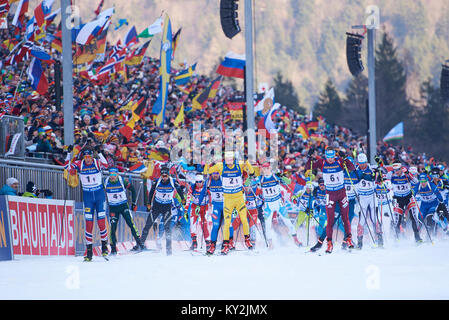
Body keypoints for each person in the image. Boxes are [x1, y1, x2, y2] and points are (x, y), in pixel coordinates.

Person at [305, 147, 356, 253]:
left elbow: (352, 168)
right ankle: (328, 243)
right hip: (330, 194)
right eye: (328, 157)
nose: (330, 159)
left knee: (345, 218)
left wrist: (345, 158)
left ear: (334, 155)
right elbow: (308, 167)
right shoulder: (322, 162)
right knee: (330, 220)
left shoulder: (339, 161)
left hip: (341, 193)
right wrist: (310, 158)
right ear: (325, 156)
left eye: (332, 157)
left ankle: (348, 239)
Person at [204, 151, 255, 255]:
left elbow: (252, 172)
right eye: (227, 160)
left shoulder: (239, 164)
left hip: (239, 198)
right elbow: (206, 171)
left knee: (244, 219)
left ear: (233, 159)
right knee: (227, 224)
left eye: (231, 160)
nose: (229, 162)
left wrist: (247, 162)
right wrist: (208, 163)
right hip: (228, 200)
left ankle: (247, 240)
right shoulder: (220, 166)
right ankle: (225, 245)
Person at [68, 148, 109, 261]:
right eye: (86, 157)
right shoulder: (80, 164)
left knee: (101, 222)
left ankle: (104, 246)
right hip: (88, 198)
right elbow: (68, 167)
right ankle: (89, 251)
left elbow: (106, 165)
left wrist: (100, 153)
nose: (88, 160)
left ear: (92, 156)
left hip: (99, 196)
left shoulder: (96, 162)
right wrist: (71, 154)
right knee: (89, 224)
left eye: (90, 157)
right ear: (83, 157)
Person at [137, 165, 185, 255]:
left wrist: (182, 198)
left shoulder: (172, 181)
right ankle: (141, 245)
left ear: (168, 175)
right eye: (162, 176)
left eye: (165, 176)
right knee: (148, 224)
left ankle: (168, 250)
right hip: (156, 206)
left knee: (167, 229)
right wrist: (148, 203)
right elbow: (151, 191)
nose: (164, 178)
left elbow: (179, 189)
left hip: (167, 207)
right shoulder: (157, 182)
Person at [256, 162, 302, 248]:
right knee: (267, 225)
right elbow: (248, 185)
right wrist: (253, 180)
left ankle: (296, 240)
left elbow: (288, 181)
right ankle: (270, 245)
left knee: (288, 222)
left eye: (267, 168)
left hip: (278, 203)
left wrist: (281, 176)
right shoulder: (260, 178)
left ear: (270, 168)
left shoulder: (275, 176)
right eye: (264, 169)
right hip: (268, 205)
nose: (265, 170)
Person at [104, 168, 143, 255]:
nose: (112, 177)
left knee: (131, 223)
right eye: (111, 175)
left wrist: (133, 203)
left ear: (117, 175)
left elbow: (132, 189)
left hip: (123, 206)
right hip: (113, 207)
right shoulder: (106, 182)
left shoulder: (122, 181)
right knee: (113, 228)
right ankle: (113, 248)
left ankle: (139, 243)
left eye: (114, 175)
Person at [384, 162, 422, 243]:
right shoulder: (391, 174)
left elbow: (416, 182)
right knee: (397, 219)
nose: (396, 172)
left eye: (398, 170)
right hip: (398, 199)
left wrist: (408, 173)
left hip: (408, 197)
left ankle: (417, 237)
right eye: (394, 170)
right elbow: (382, 178)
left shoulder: (406, 173)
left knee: (414, 217)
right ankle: (396, 237)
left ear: (401, 168)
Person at [354, 153, 382, 249]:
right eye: (360, 163)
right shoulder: (356, 170)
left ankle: (380, 240)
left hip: (371, 196)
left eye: (363, 163)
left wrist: (379, 170)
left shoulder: (371, 169)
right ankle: (359, 242)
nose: (362, 165)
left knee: (374, 218)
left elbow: (378, 176)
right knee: (362, 220)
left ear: (366, 162)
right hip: (362, 197)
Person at [188, 174, 211, 251]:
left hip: (204, 207)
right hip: (195, 207)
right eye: (197, 182)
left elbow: (211, 197)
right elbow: (188, 197)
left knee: (204, 224)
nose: (198, 183)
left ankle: (208, 242)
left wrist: (211, 205)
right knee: (192, 223)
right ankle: (194, 242)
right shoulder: (193, 187)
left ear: (202, 181)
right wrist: (185, 209)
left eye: (200, 182)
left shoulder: (206, 188)